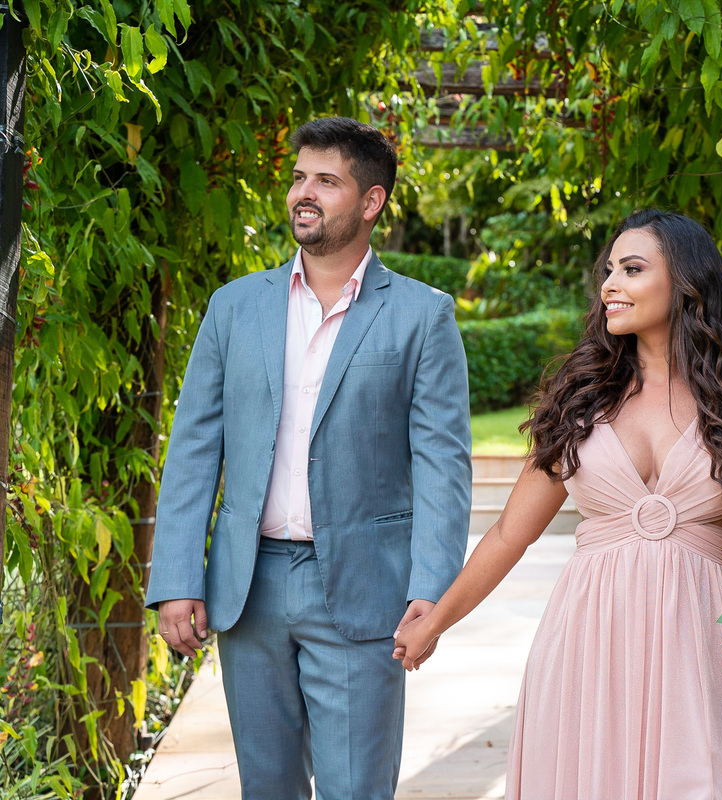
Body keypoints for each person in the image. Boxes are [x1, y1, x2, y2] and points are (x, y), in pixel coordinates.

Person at [393, 209, 722, 799]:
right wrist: (437, 619)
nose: (610, 285)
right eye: (609, 271)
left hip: (705, 648)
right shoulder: (583, 397)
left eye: (632, 270)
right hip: (591, 642)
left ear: (686, 283)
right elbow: (510, 534)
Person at [145, 116, 471, 799]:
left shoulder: (422, 315)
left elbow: (444, 465)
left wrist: (430, 593)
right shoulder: (234, 307)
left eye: (326, 180)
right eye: (299, 177)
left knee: (356, 790)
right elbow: (195, 446)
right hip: (249, 588)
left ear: (371, 200)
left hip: (362, 591)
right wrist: (178, 575)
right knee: (267, 789)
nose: (305, 192)